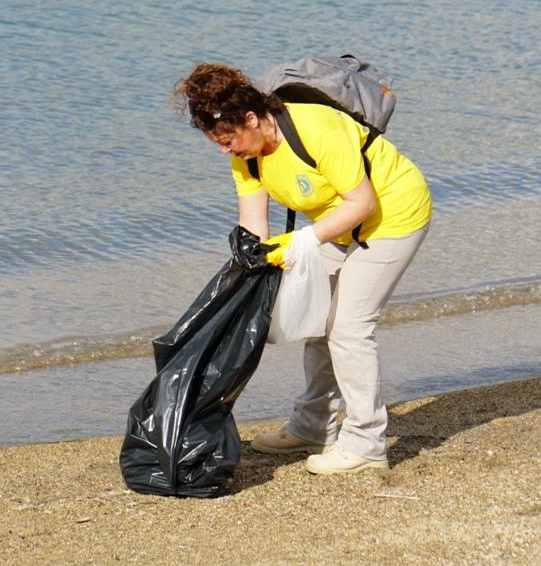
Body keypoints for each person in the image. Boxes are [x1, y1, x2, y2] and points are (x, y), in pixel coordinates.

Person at [173, 62, 432, 475]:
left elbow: (362, 203)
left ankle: (366, 444)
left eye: (227, 139)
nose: (224, 149)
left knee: (349, 327)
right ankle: (314, 427)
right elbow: (254, 226)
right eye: (215, 142)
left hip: (393, 216)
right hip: (339, 226)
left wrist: (304, 241)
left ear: (253, 119)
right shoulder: (248, 155)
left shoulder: (318, 130)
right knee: (318, 321)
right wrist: (243, 274)